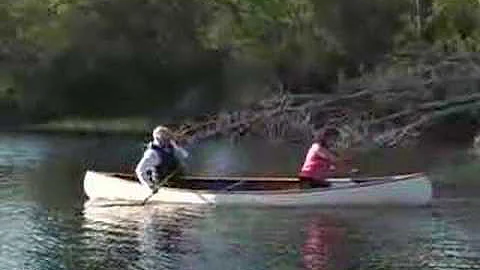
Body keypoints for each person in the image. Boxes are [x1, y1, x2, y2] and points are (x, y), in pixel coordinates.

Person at [135, 125, 189, 193]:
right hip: (163, 183)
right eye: (166, 139)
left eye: (169, 138)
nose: (169, 140)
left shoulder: (170, 145)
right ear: (158, 139)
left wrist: (177, 148)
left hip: (177, 179)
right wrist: (150, 186)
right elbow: (139, 170)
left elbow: (185, 155)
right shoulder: (152, 154)